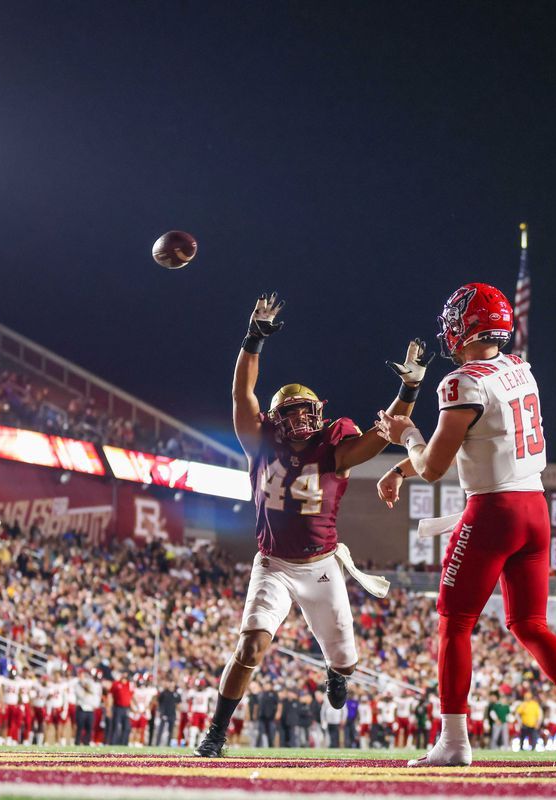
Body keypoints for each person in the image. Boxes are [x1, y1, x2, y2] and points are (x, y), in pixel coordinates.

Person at [375, 282, 556, 768]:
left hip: (492, 513)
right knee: (530, 624)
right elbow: (477, 441)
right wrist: (401, 469)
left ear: (465, 325)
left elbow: (436, 464)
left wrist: (407, 436)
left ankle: (454, 741)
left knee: (454, 623)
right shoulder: (519, 369)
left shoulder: (462, 383)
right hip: (535, 510)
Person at [195, 293, 429, 757]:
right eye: (292, 412)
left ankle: (337, 673)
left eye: (308, 412)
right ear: (275, 418)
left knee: (346, 660)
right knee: (250, 647)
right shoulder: (258, 441)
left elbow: (379, 439)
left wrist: (410, 390)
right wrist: (252, 340)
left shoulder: (334, 446)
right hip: (274, 565)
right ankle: (216, 734)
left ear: (320, 415)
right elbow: (242, 393)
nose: (302, 420)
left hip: (322, 566)